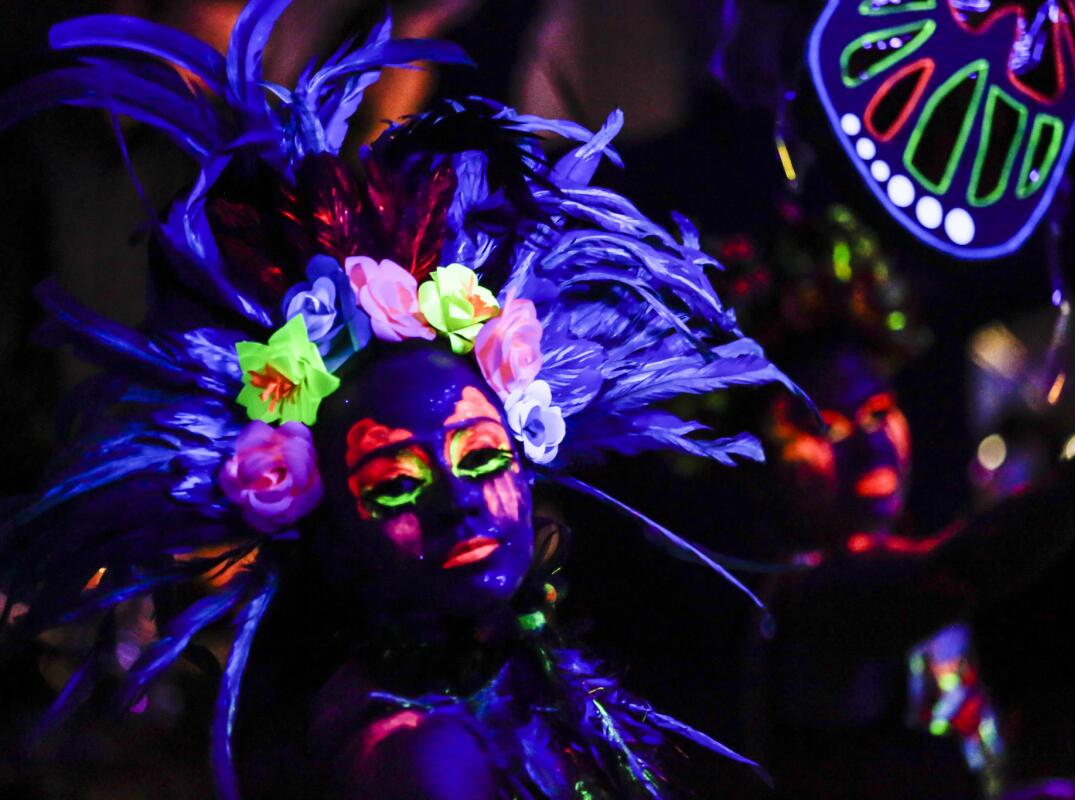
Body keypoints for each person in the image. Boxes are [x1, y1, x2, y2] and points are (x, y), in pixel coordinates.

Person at [0, 2, 792, 797]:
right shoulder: (417, 754)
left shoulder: (497, 687)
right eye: (394, 483)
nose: (459, 503)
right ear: (325, 524)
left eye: (482, 456)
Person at [719, 201, 1075, 799]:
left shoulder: (900, 555)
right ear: (758, 461)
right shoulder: (811, 601)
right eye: (827, 426)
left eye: (880, 412)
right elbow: (966, 567)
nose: (869, 446)